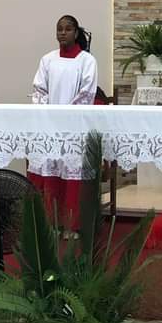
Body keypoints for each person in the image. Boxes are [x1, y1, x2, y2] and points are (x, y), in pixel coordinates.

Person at [28, 15, 98, 228]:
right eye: (59, 29)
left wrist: (67, 117)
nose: (63, 32)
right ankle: (48, 223)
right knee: (48, 169)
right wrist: (48, 115)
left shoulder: (87, 61)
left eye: (68, 29)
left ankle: (72, 224)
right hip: (50, 127)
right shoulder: (47, 60)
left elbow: (87, 93)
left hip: (74, 128)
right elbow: (39, 90)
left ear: (76, 33)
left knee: (72, 171)